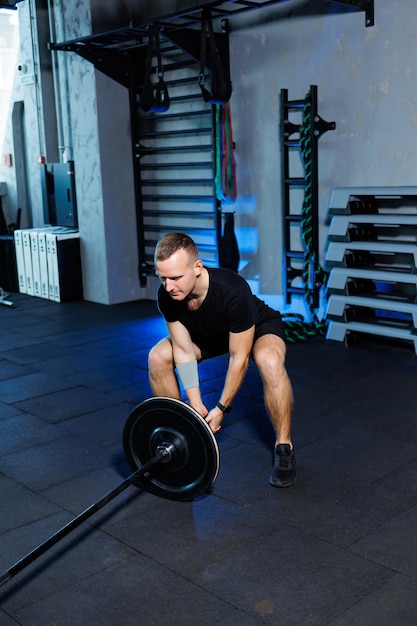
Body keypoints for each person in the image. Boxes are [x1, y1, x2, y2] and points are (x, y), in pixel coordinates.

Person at [148, 232, 296, 487]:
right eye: (162, 278)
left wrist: (221, 409)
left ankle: (284, 446)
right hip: (209, 335)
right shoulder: (167, 295)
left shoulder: (232, 289)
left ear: (197, 268)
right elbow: (183, 350)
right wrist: (195, 403)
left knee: (269, 361)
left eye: (175, 278)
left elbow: (239, 358)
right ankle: (178, 433)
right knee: (158, 356)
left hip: (256, 327)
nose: (168, 286)